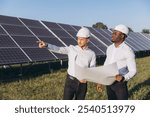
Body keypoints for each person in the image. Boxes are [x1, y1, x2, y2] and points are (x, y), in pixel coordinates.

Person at [37, 27, 96, 100]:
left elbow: (93, 69)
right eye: (78, 39)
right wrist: (46, 45)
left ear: (88, 40)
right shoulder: (71, 49)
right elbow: (59, 49)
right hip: (70, 81)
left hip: (82, 83)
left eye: (82, 39)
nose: (79, 41)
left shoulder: (91, 54)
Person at [97, 24, 136, 100]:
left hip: (120, 84)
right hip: (109, 81)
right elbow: (106, 65)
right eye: (113, 33)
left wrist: (123, 78)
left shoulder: (128, 51)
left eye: (115, 33)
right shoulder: (109, 48)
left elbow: (133, 71)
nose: (112, 35)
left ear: (122, 36)